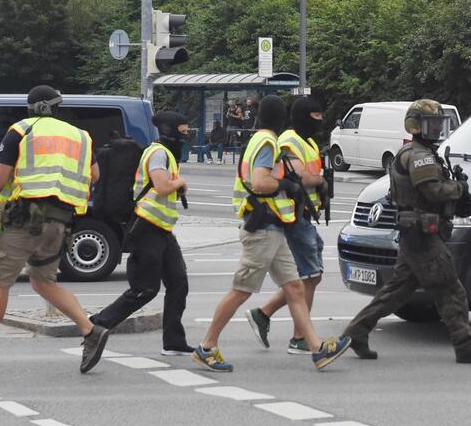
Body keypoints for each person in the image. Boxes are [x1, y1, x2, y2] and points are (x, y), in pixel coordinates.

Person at [0, 86, 109, 374]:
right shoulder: (81, 136)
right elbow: (94, 175)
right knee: (43, 282)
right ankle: (90, 330)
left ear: (34, 108)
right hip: (60, 223)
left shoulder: (21, 130)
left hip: (24, 221)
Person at [192, 95, 351, 372]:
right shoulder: (267, 142)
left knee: (295, 287)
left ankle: (317, 349)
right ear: (280, 118)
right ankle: (207, 347)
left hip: (273, 226)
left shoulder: (260, 139)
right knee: (241, 290)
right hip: (263, 228)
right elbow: (260, 182)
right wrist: (286, 185)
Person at [342, 99, 471, 364]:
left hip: (416, 233)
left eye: (439, 123)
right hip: (422, 235)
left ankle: (356, 332)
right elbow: (432, 191)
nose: (437, 128)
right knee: (451, 288)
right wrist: (459, 189)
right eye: (432, 123)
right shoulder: (419, 155)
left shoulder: (421, 153)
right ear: (417, 126)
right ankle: (466, 345)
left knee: (396, 293)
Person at [85, 112, 193, 371]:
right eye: (183, 130)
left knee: (178, 283)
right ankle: (96, 325)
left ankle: (174, 342)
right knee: (145, 290)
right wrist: (181, 182)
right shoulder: (157, 153)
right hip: (147, 227)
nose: (186, 134)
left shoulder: (166, 153)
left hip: (162, 228)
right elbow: (162, 186)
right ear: (170, 130)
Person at [247, 97, 328, 355]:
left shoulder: (309, 141)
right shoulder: (289, 141)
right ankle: (299, 338)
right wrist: (321, 182)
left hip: (304, 214)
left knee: (307, 277)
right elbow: (301, 177)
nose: (319, 121)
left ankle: (264, 314)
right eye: (314, 116)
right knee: (308, 275)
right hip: (293, 215)